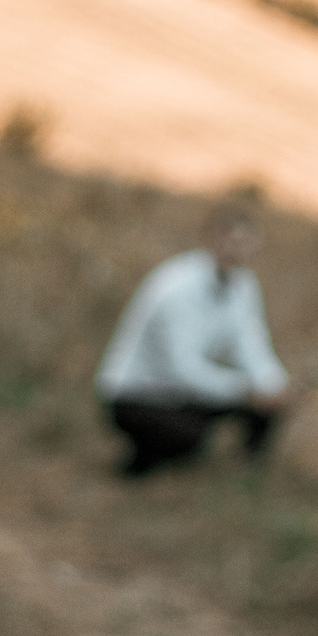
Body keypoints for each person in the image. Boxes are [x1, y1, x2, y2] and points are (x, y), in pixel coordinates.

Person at [96, 202, 291, 476]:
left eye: (248, 244)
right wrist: (245, 392)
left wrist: (274, 387)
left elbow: (252, 346)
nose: (239, 252)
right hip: (137, 394)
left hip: (183, 392)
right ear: (212, 239)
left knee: (266, 408)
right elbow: (182, 368)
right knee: (188, 436)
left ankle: (246, 475)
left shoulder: (243, 286)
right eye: (233, 241)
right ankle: (138, 467)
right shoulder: (177, 286)